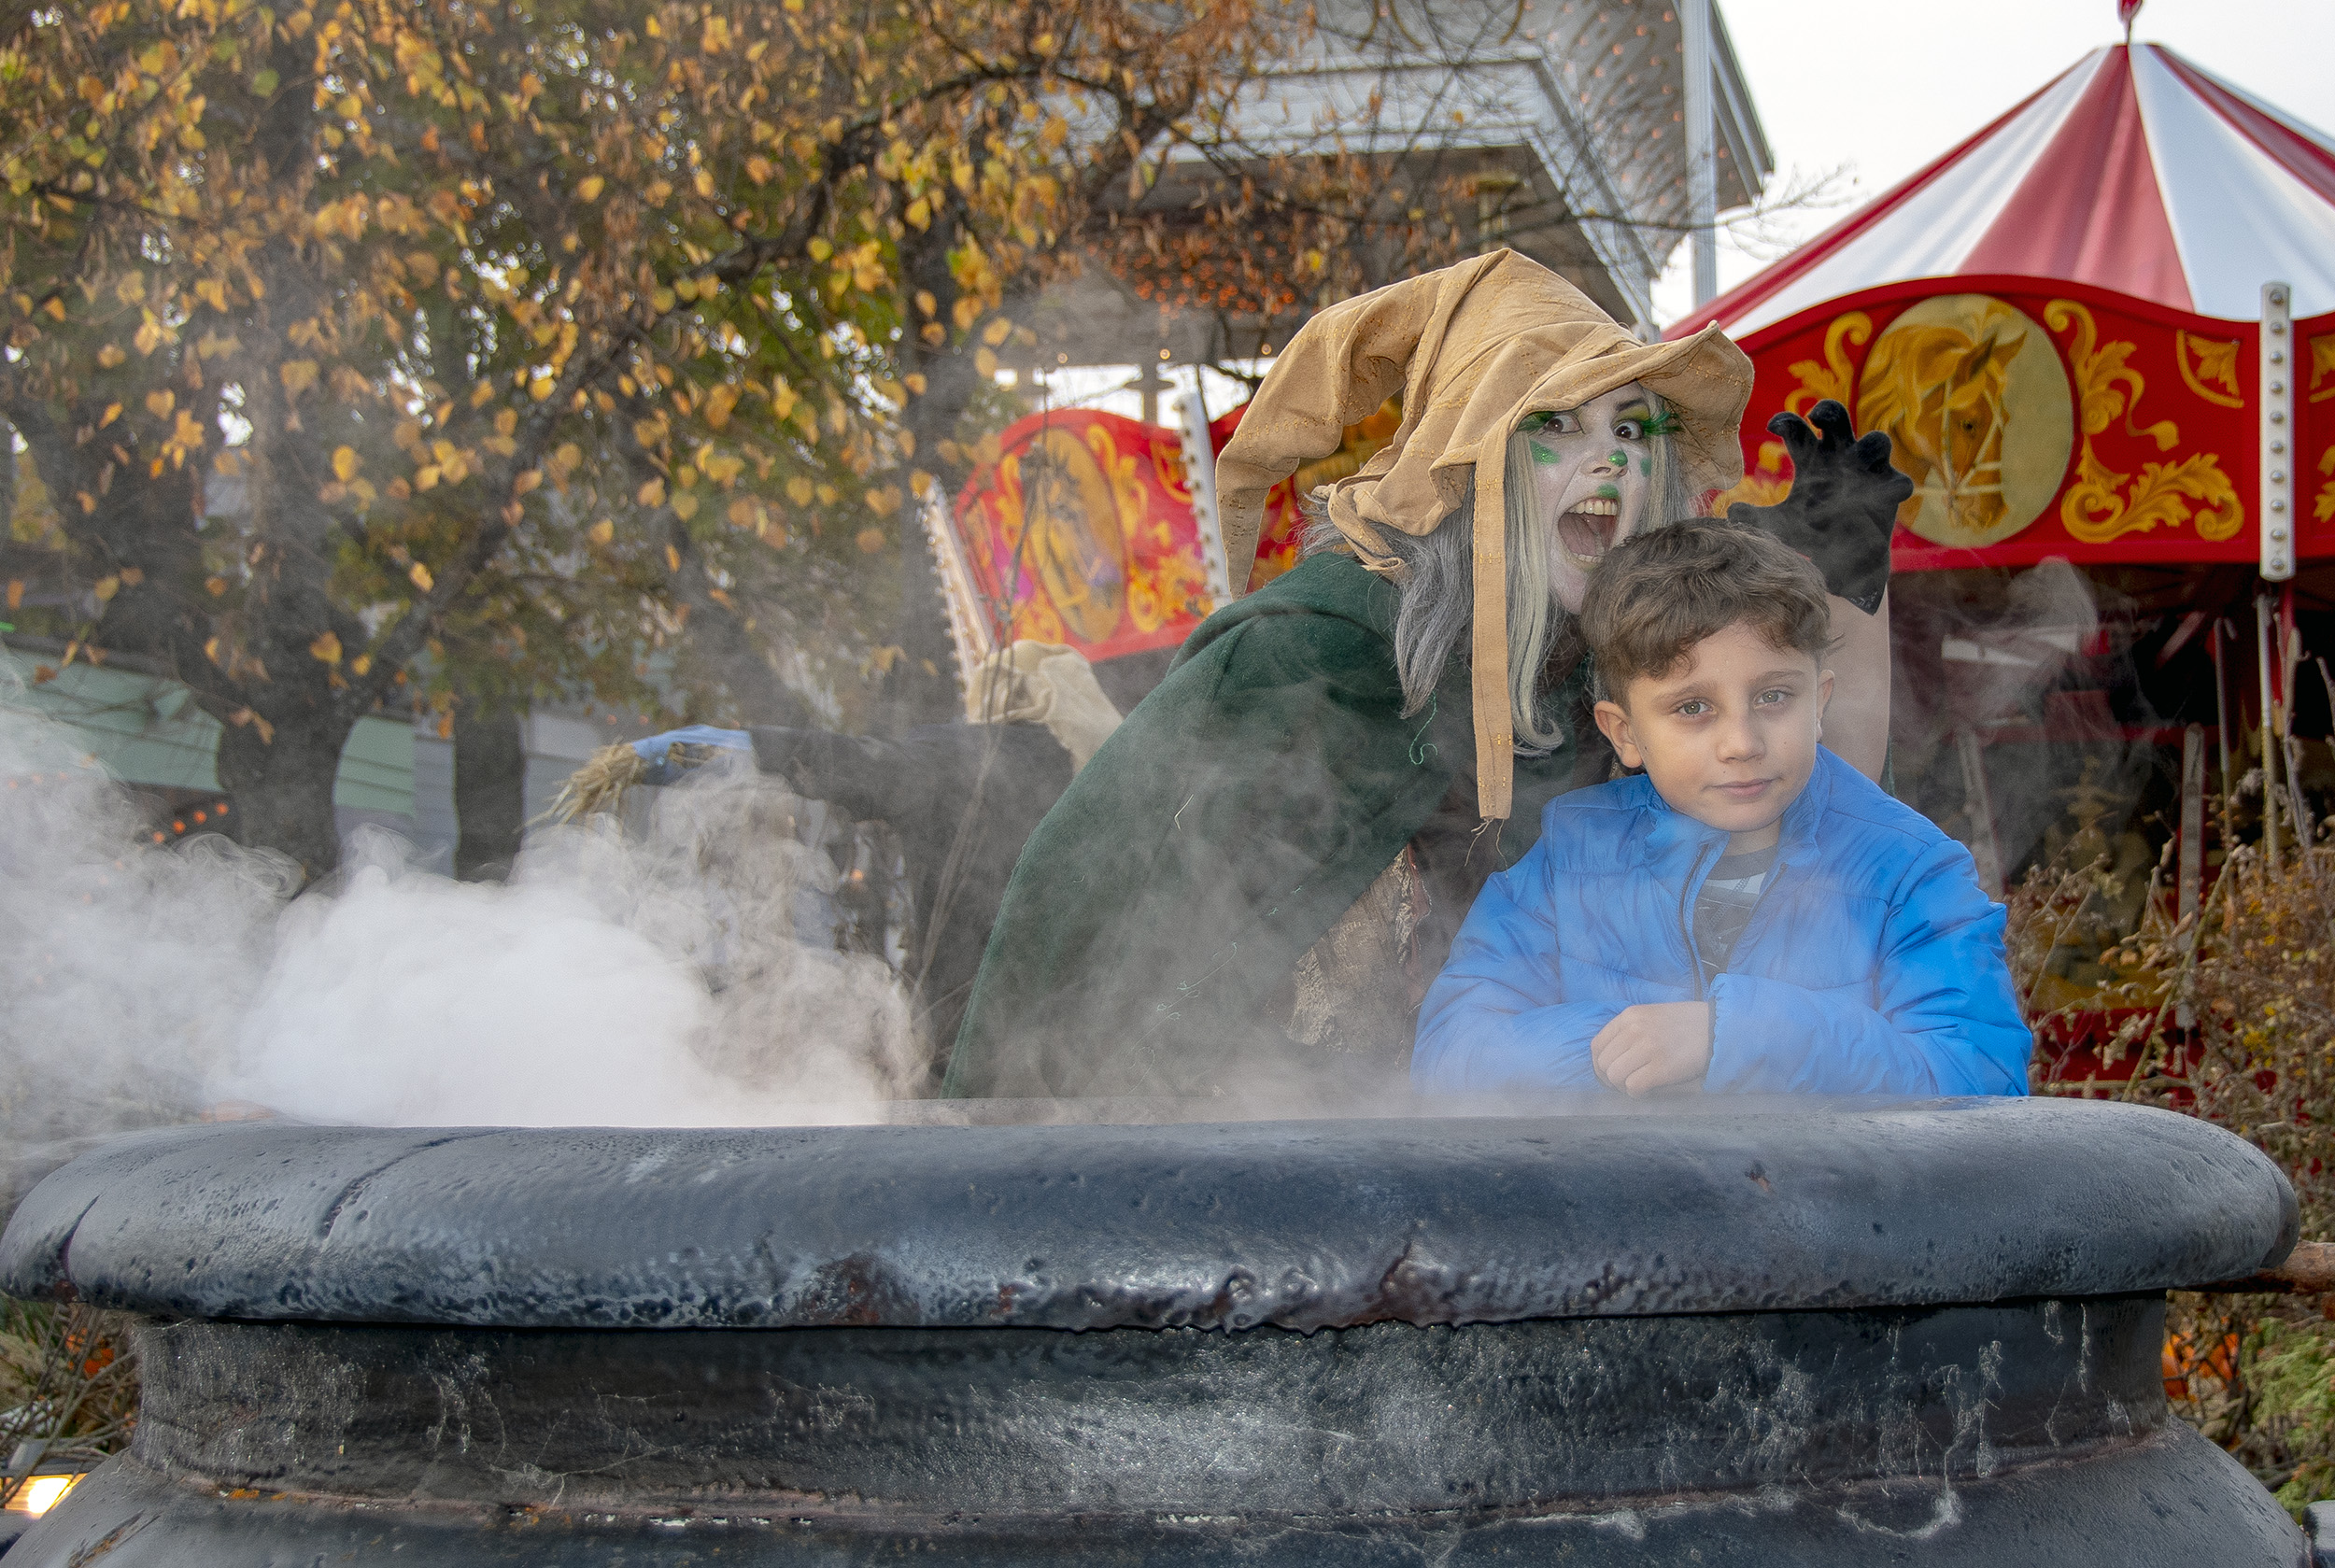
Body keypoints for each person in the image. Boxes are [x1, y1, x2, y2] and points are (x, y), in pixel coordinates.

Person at [941, 249, 1910, 1101]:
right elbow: (1077, 892)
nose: (1608, 460)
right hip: (1274, 1187)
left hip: (1547, 1175)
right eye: (1556, 425)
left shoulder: (1608, 690)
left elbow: (1804, 883)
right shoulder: (1311, 653)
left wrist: (1838, 611)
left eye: (1630, 428)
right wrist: (990, 1154)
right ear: (1466, 464)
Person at [1410, 520, 2029, 1099]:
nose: (1743, 743)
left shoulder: (1910, 872)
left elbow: (1980, 1079)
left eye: (1774, 696)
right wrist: (1625, 1046)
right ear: (1624, 732)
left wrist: (1729, 1038)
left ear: (1821, 702)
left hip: (1827, 1211)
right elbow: (1449, 1053)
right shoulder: (1573, 853)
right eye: (1692, 708)